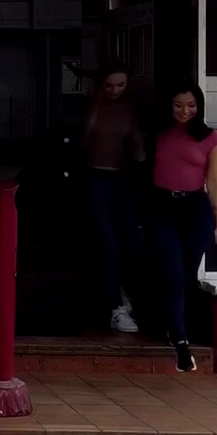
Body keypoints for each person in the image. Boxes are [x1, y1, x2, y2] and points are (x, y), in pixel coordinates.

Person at [150, 83, 217, 372]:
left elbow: (215, 182)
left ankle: (176, 325)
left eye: (191, 105)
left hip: (195, 209)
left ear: (200, 107)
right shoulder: (158, 133)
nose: (185, 111)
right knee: (171, 271)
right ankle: (180, 339)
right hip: (162, 207)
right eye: (178, 105)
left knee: (186, 276)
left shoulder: (212, 138)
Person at [82, 65, 144, 333]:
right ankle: (114, 306)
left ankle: (123, 295)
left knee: (130, 243)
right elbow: (79, 145)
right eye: (109, 85)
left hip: (124, 179)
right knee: (106, 245)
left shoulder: (133, 110)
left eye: (120, 85)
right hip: (95, 179)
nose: (115, 90)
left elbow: (139, 150)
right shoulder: (91, 108)